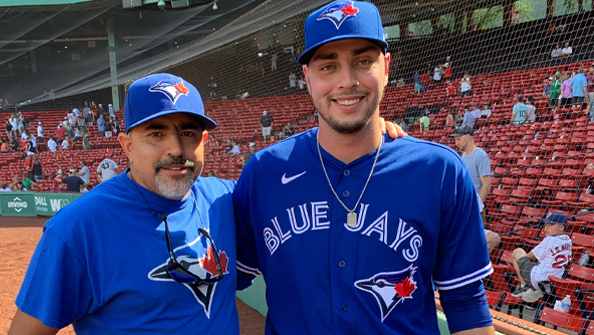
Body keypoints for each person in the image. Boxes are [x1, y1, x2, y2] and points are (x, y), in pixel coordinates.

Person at [233, 2, 494, 335]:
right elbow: (220, 282)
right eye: (328, 67)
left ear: (386, 67)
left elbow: (466, 304)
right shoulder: (264, 172)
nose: (347, 81)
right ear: (307, 79)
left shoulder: (441, 172)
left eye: (363, 62)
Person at [8, 73, 240, 334]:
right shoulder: (77, 227)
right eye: (156, 133)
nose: (175, 149)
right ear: (127, 146)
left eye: (188, 133)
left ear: (204, 142)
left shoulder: (227, 199)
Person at [451, 126, 500, 252]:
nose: (456, 143)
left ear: (468, 136)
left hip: (474, 206)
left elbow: (486, 184)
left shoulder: (481, 155)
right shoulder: (462, 156)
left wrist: (478, 206)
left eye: (458, 139)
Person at [511, 212, 571, 303]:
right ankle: (536, 290)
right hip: (554, 284)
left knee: (517, 252)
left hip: (538, 280)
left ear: (561, 227)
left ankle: (524, 286)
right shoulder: (568, 241)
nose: (545, 227)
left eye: (550, 224)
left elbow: (529, 257)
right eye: (545, 224)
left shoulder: (549, 239)